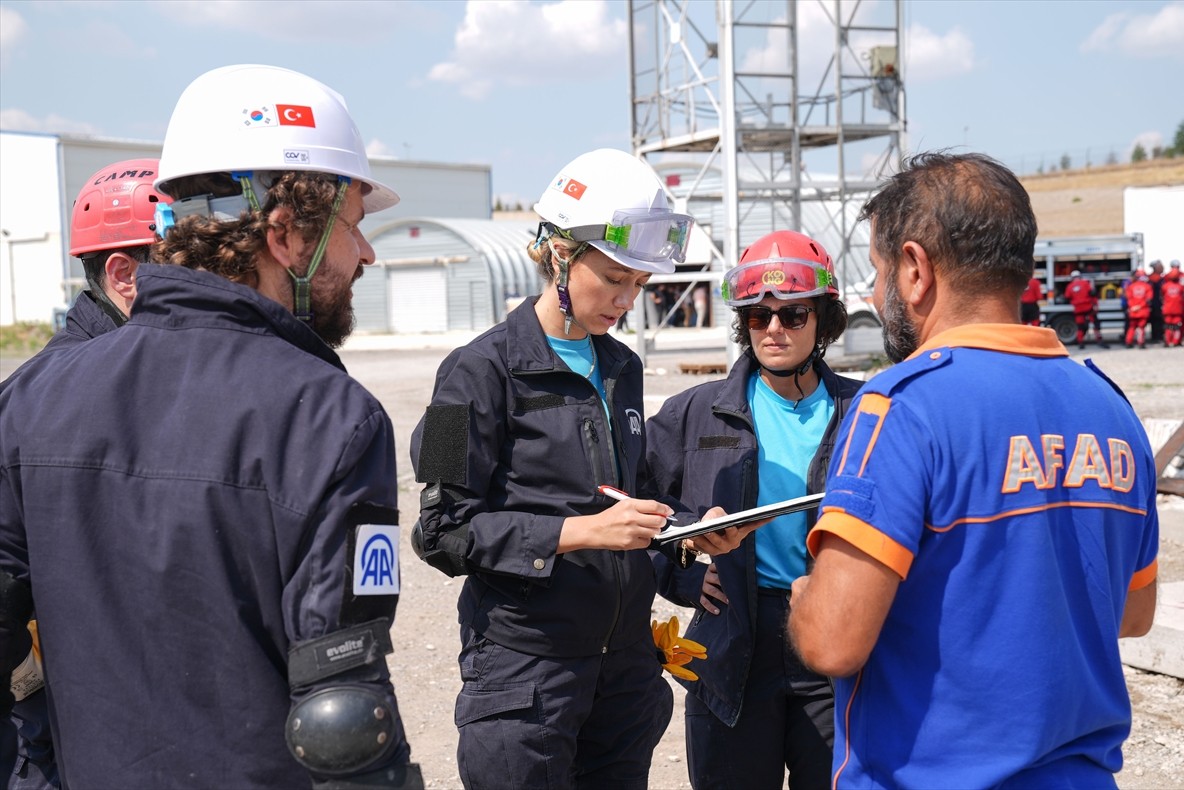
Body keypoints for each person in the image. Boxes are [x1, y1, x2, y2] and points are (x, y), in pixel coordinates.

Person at [0, 64, 421, 787]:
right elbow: (342, 712)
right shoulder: (327, 418)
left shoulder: (33, 395)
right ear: (287, 234)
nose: (368, 255)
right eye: (354, 226)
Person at [786, 151, 1158, 788]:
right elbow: (1133, 613)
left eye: (877, 273)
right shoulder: (1109, 405)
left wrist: (805, 602)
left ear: (915, 269)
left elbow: (832, 642)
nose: (876, 296)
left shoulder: (901, 407)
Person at [409, 147, 747, 790]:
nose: (626, 299)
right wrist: (583, 533)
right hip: (525, 675)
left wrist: (686, 530)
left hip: (621, 676)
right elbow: (439, 530)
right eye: (614, 278)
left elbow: (630, 497)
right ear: (559, 253)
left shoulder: (622, 369)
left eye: (640, 286)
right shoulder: (471, 374)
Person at [648, 230, 862, 789]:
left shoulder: (867, 413)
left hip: (836, 642)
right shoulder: (695, 413)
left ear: (823, 321)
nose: (774, 330)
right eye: (757, 316)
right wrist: (684, 571)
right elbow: (631, 503)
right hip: (733, 641)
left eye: (793, 315)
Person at [3, 158, 170, 790]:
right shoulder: (42, 399)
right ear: (124, 276)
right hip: (64, 739)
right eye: (187, 268)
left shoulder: (160, 379)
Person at [1063, 269, 1107, 348]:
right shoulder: (1085, 283)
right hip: (1088, 308)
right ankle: (1099, 340)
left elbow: (1067, 298)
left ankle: (1080, 343)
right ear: (1079, 276)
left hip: (1078, 309)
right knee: (1095, 324)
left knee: (1080, 326)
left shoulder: (1069, 286)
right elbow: (1092, 293)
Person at [1124, 270, 1154, 349]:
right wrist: (1140, 306)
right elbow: (1148, 300)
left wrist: (1133, 307)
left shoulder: (1131, 286)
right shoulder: (1148, 286)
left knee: (1132, 327)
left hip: (1133, 311)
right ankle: (1141, 343)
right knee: (1141, 327)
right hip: (1143, 310)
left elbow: (1128, 298)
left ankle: (1128, 342)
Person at [1161, 261, 1184, 347]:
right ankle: (1176, 341)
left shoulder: (1165, 286)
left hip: (1167, 309)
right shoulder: (1181, 286)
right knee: (1176, 326)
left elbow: (1162, 296)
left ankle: (1168, 341)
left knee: (1168, 326)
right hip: (1177, 309)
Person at [1148, 259, 1165, 344]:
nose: (1163, 268)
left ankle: (1157, 336)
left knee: (1158, 320)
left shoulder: (1158, 278)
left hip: (1157, 302)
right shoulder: (1154, 278)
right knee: (1156, 320)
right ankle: (1157, 336)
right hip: (1155, 303)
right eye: (1160, 266)